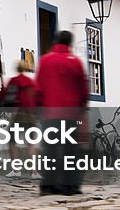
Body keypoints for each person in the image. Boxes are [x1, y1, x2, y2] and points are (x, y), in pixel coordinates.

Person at [34, 30, 89, 196]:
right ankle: (69, 186)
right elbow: (83, 90)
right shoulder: (75, 62)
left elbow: (38, 88)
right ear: (70, 43)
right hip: (70, 115)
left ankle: (48, 185)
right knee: (70, 152)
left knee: (50, 150)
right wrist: (81, 109)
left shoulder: (45, 61)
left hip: (49, 114)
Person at [0, 59, 41, 177]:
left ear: (17, 69)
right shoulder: (31, 82)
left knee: (12, 142)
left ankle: (16, 171)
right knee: (31, 144)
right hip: (31, 116)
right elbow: (38, 98)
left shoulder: (13, 81)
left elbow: (3, 96)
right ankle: (34, 172)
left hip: (17, 115)